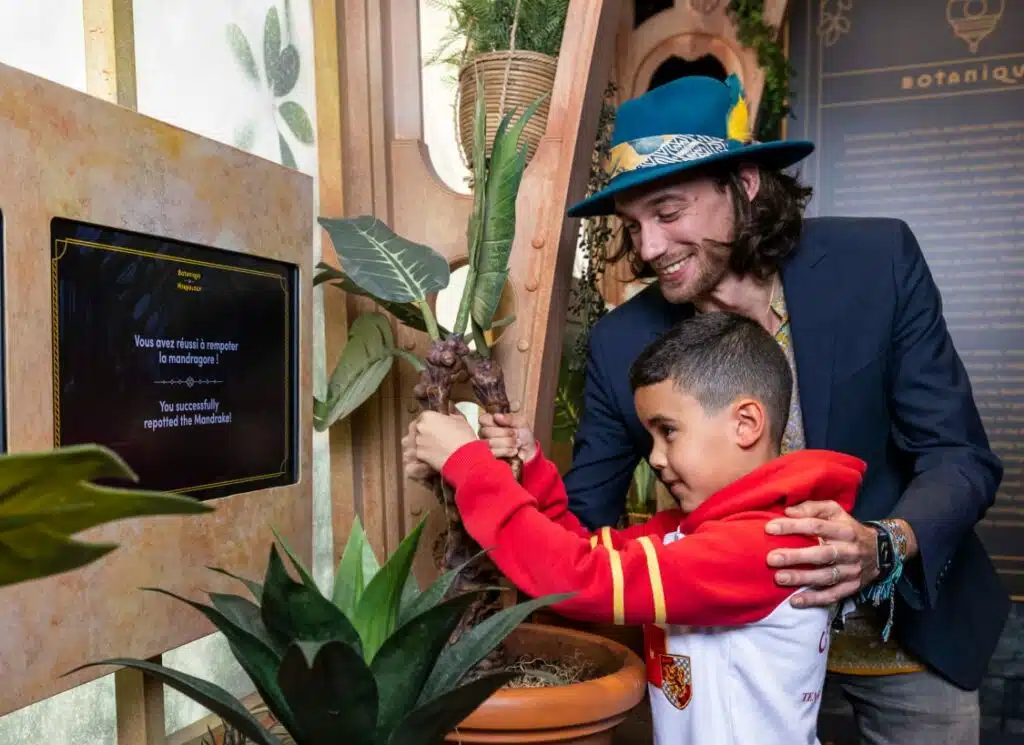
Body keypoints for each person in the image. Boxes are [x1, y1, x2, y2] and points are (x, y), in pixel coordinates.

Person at [557, 73, 1008, 742]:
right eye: (634, 224)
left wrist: (883, 544)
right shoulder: (620, 340)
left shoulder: (877, 262)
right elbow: (582, 516)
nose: (648, 248)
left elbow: (960, 458)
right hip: (731, 659)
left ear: (744, 182)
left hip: (907, 636)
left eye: (669, 211)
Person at [404, 312, 866, 745]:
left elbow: (586, 581)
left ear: (745, 424)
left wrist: (468, 466)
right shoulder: (692, 532)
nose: (656, 457)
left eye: (668, 431)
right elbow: (584, 554)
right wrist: (530, 466)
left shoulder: (761, 546)